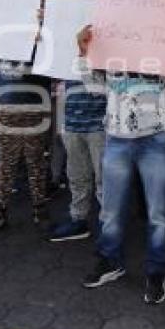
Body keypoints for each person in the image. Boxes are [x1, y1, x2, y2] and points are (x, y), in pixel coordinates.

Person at [78, 25, 165, 305]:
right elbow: (94, 87)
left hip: (155, 140)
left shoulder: (164, 53)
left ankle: (157, 272)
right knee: (111, 211)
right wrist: (83, 52)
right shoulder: (110, 50)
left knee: (158, 212)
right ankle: (110, 262)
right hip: (117, 139)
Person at [0, 0, 52, 236]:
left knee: (36, 162)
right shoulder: (3, 27)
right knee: (6, 162)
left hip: (35, 106)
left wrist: (45, 31)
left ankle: (39, 210)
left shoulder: (51, 28)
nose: (39, 3)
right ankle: (0, 212)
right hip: (6, 106)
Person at [48, 79, 107, 242]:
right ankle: (78, 220)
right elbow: (60, 84)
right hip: (71, 122)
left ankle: (108, 225)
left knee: (104, 179)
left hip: (100, 124)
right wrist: (62, 122)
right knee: (77, 176)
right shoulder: (65, 56)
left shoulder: (102, 55)